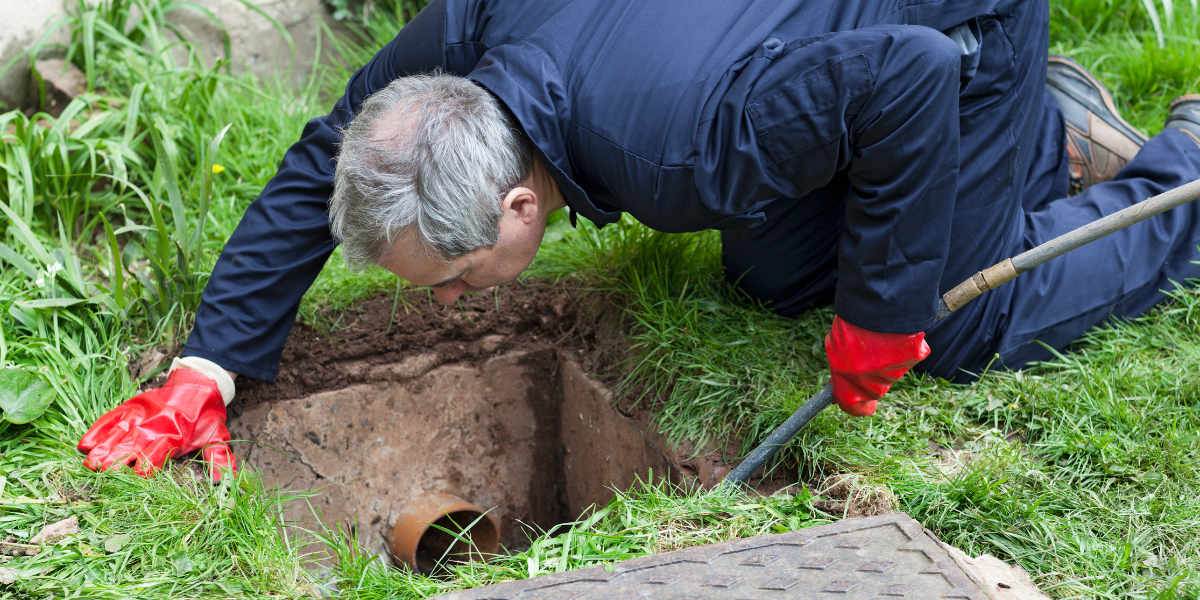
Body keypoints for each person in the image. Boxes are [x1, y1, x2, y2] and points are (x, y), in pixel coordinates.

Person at [77, 0, 1200, 481]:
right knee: (773, 273)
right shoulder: (468, 34)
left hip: (952, 30)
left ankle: (1177, 171)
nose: (449, 304)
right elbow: (334, 145)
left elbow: (905, 76)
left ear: (522, 208)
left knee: (951, 325)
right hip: (818, 38)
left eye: (456, 281)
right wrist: (206, 366)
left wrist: (885, 314)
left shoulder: (680, 155)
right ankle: (1037, 135)